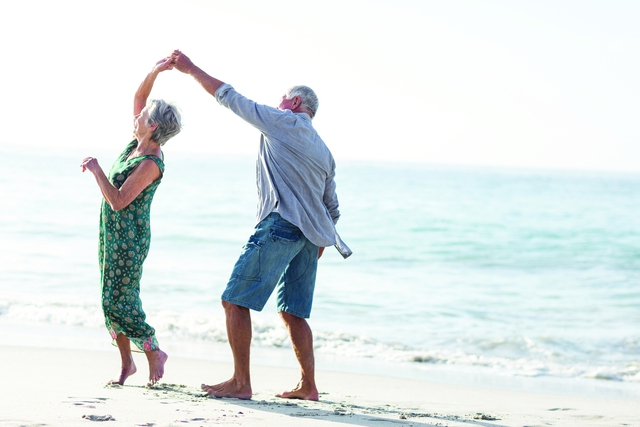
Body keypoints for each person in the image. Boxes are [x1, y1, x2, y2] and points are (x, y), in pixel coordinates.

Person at [171, 49, 351, 401]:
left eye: (282, 98)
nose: (277, 103)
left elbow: (231, 98)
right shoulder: (325, 150)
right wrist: (316, 244)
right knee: (293, 312)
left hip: (281, 225)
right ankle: (309, 386)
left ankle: (241, 382)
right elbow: (332, 207)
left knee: (234, 301)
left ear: (295, 102)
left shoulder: (283, 121)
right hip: (310, 238)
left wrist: (190, 69)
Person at [81, 56, 182, 387]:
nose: (136, 116)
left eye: (142, 116)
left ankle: (153, 350)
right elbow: (139, 100)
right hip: (110, 232)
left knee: (118, 299)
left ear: (152, 126)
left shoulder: (151, 161)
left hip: (129, 237)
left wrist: (96, 170)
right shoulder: (135, 145)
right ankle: (127, 365)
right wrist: (155, 71)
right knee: (107, 298)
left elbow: (120, 200)